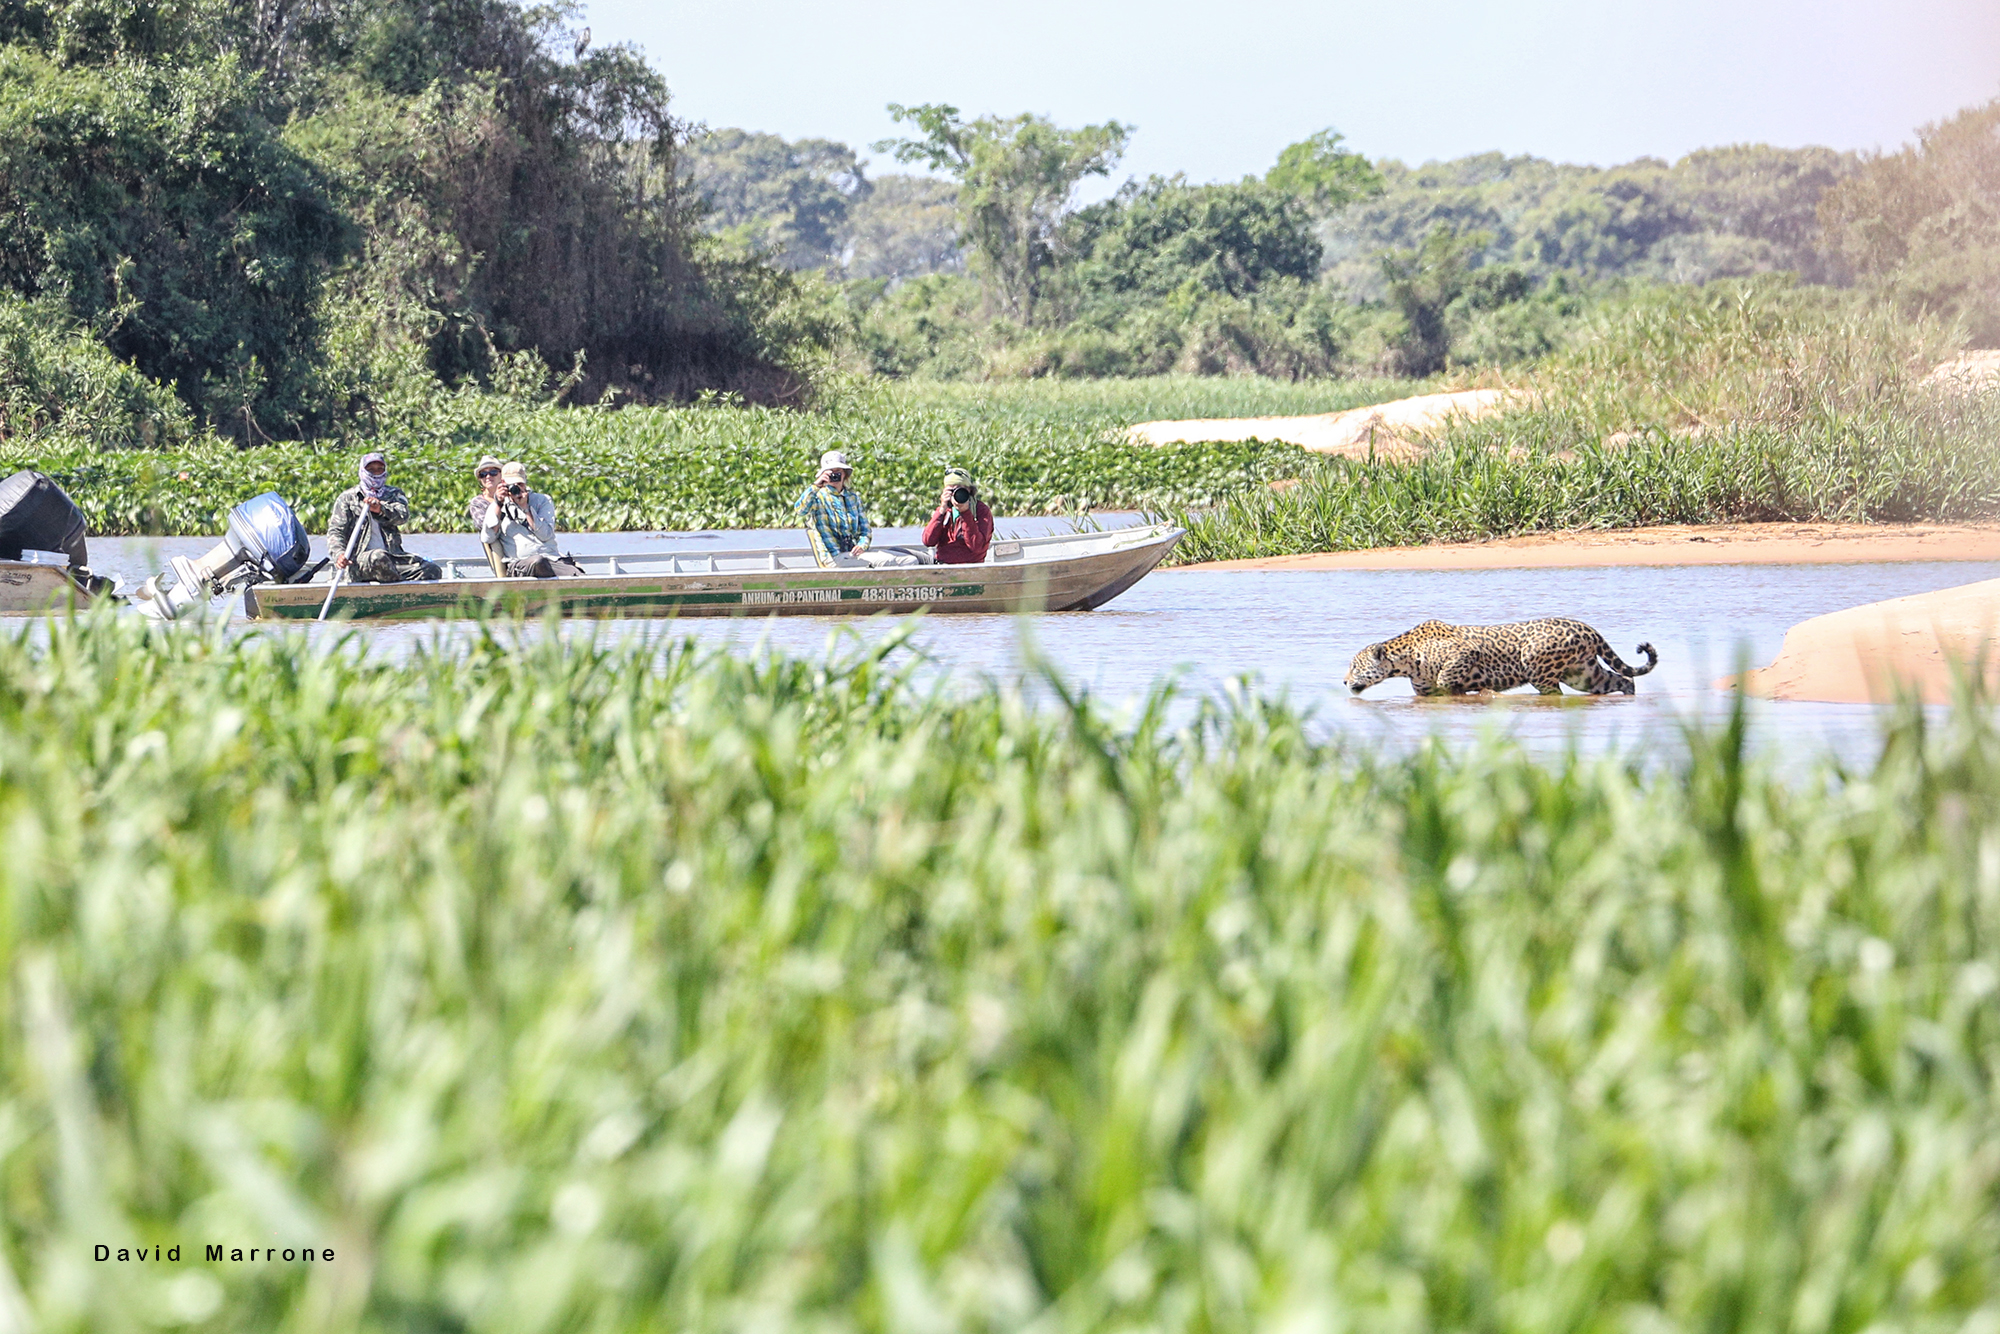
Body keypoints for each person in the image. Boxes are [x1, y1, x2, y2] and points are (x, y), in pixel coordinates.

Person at [793, 449, 925, 568]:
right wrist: (816, 485)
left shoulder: (853, 498)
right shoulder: (816, 497)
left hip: (854, 555)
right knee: (908, 562)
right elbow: (800, 510)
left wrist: (862, 546)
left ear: (845, 474)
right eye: (830, 473)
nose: (834, 477)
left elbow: (865, 531)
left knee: (908, 558)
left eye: (838, 472)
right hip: (834, 557)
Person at [328, 452, 440, 583]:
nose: (376, 473)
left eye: (379, 469)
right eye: (371, 470)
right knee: (378, 557)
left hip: (392, 558)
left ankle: (396, 583)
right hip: (359, 561)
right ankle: (398, 585)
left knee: (432, 569)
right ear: (363, 470)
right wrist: (339, 555)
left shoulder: (393, 494)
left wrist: (381, 509)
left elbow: (403, 516)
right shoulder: (347, 498)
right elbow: (335, 532)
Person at [469, 459, 583, 577]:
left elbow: (546, 535)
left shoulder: (542, 500)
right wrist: (499, 504)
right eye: (511, 485)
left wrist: (526, 509)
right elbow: (488, 537)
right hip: (519, 563)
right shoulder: (496, 506)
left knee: (579, 576)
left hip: (550, 559)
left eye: (520, 484)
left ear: (525, 482)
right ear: (503, 483)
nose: (516, 489)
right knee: (537, 561)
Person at [921, 466, 994, 564]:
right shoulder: (945, 510)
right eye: (951, 490)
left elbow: (977, 547)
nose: (956, 495)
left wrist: (966, 513)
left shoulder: (980, 510)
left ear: (969, 490)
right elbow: (928, 541)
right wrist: (941, 511)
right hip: (942, 565)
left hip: (971, 566)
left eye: (960, 490)